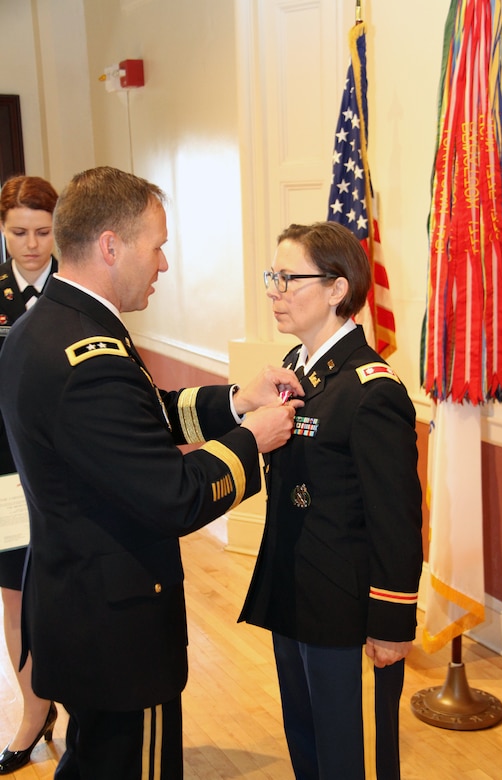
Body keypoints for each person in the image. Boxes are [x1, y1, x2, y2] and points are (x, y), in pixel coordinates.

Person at [0, 166, 304, 780]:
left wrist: (235, 401)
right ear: (111, 247)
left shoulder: (56, 325)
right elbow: (174, 497)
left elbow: (148, 415)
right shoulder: (87, 355)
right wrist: (254, 441)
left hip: (80, 608)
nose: (163, 264)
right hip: (118, 631)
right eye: (157, 246)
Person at [239, 221, 423, 780]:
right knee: (306, 740)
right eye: (272, 276)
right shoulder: (295, 370)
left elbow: (395, 518)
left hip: (343, 606)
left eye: (287, 277)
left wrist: (392, 620)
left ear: (338, 289)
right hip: (294, 590)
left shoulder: (372, 390)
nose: (273, 289)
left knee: (346, 752)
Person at [0, 175, 60, 774]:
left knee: (71, 590)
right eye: (19, 232)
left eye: (44, 231)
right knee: (14, 597)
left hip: (65, 469)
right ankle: (32, 711)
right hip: (4, 473)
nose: (32, 245)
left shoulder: (77, 289)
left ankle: (83, 699)